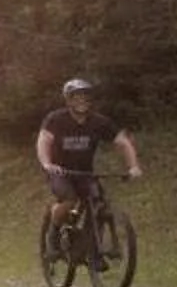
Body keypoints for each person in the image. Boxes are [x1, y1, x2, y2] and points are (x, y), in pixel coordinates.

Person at [37, 77, 141, 228]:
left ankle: (89, 244)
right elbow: (43, 142)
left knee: (97, 201)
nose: (81, 101)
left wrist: (133, 166)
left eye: (85, 97)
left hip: (85, 173)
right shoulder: (56, 119)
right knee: (69, 201)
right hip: (60, 172)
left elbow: (123, 142)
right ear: (68, 100)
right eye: (76, 97)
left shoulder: (99, 122)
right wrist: (47, 163)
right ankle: (54, 233)